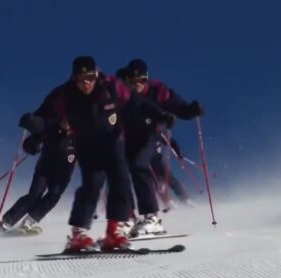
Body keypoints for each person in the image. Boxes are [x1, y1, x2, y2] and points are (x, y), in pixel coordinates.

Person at [23, 56, 171, 252]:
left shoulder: (110, 86)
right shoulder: (65, 94)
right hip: (87, 145)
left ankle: (113, 233)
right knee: (92, 185)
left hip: (113, 141)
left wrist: (159, 114)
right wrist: (33, 134)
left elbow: (137, 102)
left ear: (97, 74)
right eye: (82, 78)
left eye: (90, 77)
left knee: (120, 182)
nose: (87, 83)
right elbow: (44, 116)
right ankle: (78, 236)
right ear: (74, 78)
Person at [117, 59, 204, 236]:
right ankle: (129, 217)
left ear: (147, 79)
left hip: (151, 135)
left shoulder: (158, 91)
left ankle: (152, 217)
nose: (137, 85)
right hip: (127, 138)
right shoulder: (120, 93)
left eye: (141, 80)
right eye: (132, 81)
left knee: (140, 165)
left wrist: (191, 110)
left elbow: (179, 107)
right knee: (119, 170)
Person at [0, 118, 76, 234]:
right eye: (64, 121)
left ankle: (29, 222)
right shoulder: (51, 129)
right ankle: (8, 220)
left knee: (53, 197)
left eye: (69, 121)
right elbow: (31, 142)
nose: (66, 123)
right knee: (34, 195)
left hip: (62, 175)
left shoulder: (80, 135)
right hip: (44, 170)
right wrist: (32, 146)